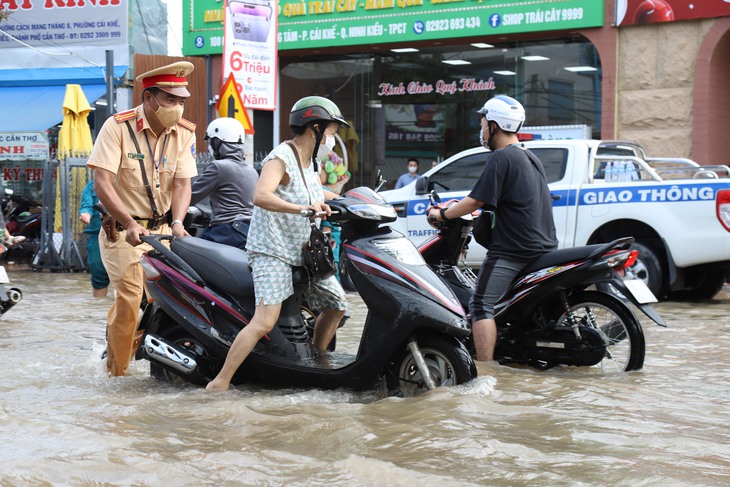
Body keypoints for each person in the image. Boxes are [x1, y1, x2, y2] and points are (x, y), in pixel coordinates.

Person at [206, 96, 349, 391]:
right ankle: (220, 382)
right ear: (315, 128)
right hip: (272, 252)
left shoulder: (311, 162)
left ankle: (316, 362)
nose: (334, 139)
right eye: (333, 132)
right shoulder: (281, 156)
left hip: (304, 252)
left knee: (337, 304)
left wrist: (356, 201)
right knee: (264, 322)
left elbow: (316, 192)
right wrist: (303, 210)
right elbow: (261, 195)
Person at [87, 61, 198, 377]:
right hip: (124, 231)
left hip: (163, 231)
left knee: (166, 301)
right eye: (169, 100)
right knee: (132, 299)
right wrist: (131, 223)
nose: (176, 108)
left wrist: (178, 222)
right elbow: (102, 183)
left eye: (180, 101)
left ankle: (124, 350)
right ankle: (116, 375)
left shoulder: (184, 133)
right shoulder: (117, 127)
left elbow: (182, 183)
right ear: (149, 98)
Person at [427, 95, 557, 363]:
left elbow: (476, 200)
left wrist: (442, 213)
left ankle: (485, 370)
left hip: (514, 250)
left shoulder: (501, 158)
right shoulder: (530, 157)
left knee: (479, 305)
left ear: (496, 125)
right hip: (542, 246)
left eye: (484, 122)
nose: (482, 129)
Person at [191, 117, 258, 250]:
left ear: (217, 142)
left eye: (211, 142)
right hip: (249, 232)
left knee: (187, 253)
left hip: (226, 231)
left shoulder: (218, 167)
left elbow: (190, 196)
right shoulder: (251, 170)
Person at [79, 177, 110, 297]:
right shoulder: (91, 187)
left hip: (123, 236)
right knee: (99, 278)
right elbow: (86, 207)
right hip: (96, 237)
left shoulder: (125, 182)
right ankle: (99, 305)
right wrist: (86, 215)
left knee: (127, 279)